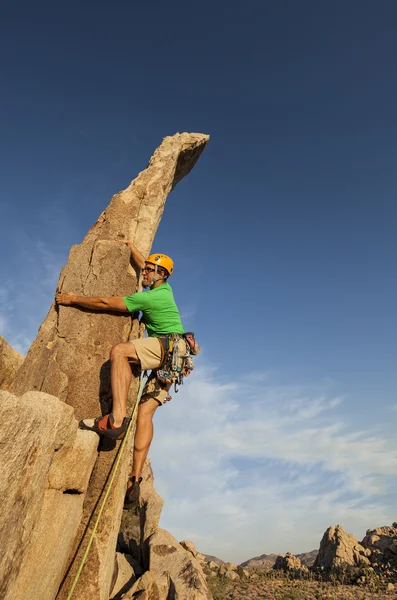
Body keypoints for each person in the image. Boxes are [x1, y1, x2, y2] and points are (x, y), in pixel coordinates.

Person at [56, 240, 187, 510]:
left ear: (160, 274)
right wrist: (130, 246)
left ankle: (116, 419)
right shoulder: (166, 289)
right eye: (146, 268)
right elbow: (145, 265)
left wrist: (73, 299)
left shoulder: (149, 297)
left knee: (119, 352)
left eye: (150, 271)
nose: (145, 273)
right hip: (178, 358)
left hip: (164, 347)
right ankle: (134, 480)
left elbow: (106, 302)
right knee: (145, 414)